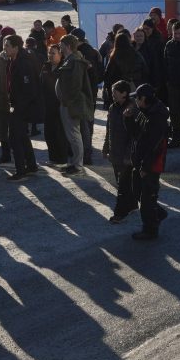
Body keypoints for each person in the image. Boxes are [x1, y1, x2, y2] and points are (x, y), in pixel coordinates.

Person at [127, 84, 169, 241]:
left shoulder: (157, 117)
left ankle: (150, 229)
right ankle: (157, 213)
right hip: (141, 160)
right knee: (137, 190)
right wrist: (129, 118)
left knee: (147, 198)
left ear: (143, 99)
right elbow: (135, 134)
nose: (135, 101)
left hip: (151, 164)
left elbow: (154, 146)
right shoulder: (143, 112)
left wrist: (146, 166)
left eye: (137, 98)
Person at [55, 36, 94, 174]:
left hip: (71, 104)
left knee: (74, 134)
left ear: (68, 46)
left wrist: (68, 100)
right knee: (72, 134)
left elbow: (75, 85)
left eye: (62, 45)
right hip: (68, 103)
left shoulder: (75, 61)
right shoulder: (70, 59)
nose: (60, 47)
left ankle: (77, 165)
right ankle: (75, 162)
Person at [4, 34, 41, 181]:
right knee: (23, 136)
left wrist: (19, 107)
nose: (4, 48)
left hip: (22, 107)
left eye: (7, 46)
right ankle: (31, 165)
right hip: (17, 105)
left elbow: (29, 89)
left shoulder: (24, 63)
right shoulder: (13, 60)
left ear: (15, 47)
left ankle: (21, 170)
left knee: (14, 138)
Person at [103, 80, 137, 223]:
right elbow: (109, 129)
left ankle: (120, 212)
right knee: (121, 182)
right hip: (115, 152)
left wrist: (129, 155)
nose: (112, 95)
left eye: (115, 93)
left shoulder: (131, 109)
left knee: (123, 185)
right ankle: (132, 204)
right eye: (112, 93)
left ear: (124, 93)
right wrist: (106, 147)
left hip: (126, 155)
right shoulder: (112, 108)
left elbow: (134, 136)